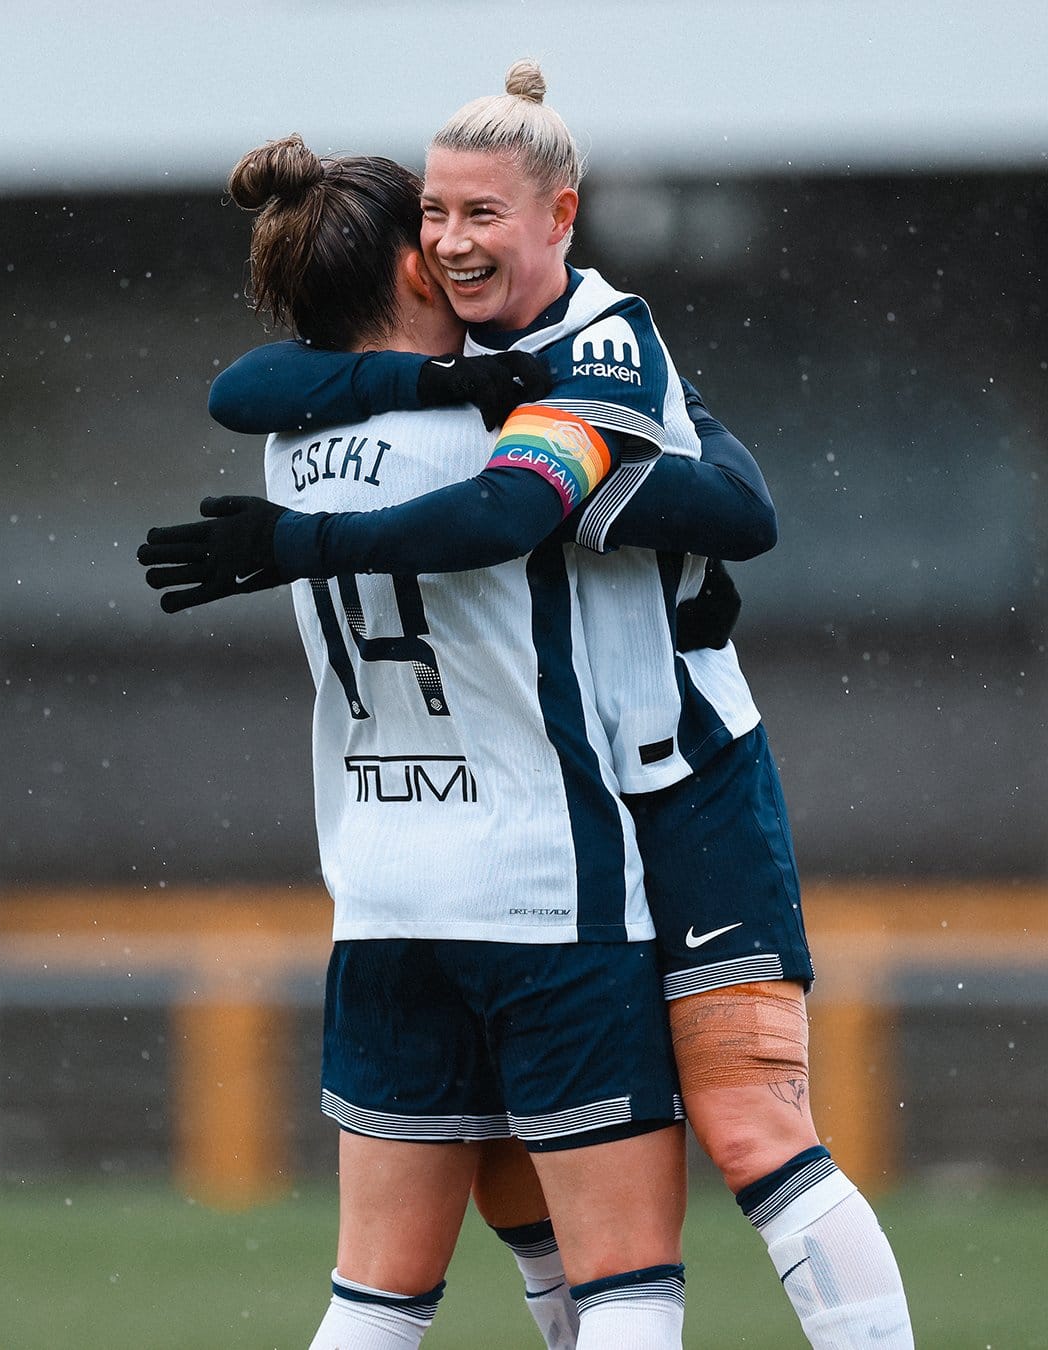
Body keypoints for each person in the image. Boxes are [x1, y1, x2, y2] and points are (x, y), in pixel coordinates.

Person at [193, 61, 916, 1350]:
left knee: (748, 1131)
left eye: (483, 213)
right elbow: (256, 382)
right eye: (438, 217)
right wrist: (439, 390)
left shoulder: (593, 354)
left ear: (561, 217)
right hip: (547, 845)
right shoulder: (472, 374)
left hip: (676, 789)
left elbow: (549, 510)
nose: (457, 240)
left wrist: (298, 536)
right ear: (412, 259)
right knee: (556, 1212)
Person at [141, 136, 706, 1350]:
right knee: (629, 1287)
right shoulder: (510, 435)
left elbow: (252, 385)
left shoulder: (290, 447)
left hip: (383, 902)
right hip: (546, 892)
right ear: (413, 264)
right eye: (438, 231)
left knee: (375, 1302)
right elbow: (706, 507)